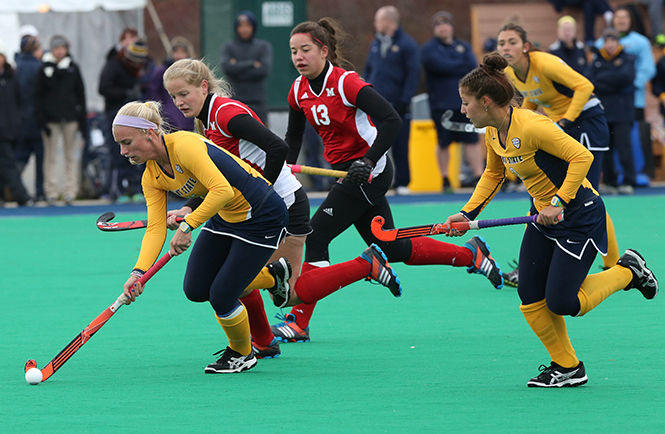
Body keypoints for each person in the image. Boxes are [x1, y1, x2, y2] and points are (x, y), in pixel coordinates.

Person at [271, 18, 504, 343]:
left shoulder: (347, 83)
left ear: (323, 51)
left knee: (317, 234)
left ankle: (298, 321)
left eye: (305, 49)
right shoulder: (297, 91)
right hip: (346, 173)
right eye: (294, 51)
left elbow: (391, 119)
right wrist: (283, 174)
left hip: (372, 172)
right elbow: (293, 137)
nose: (298, 56)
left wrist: (367, 160)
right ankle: (472, 255)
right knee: (391, 246)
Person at [447, 52, 658, 387]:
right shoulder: (492, 130)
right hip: (541, 219)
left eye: (465, 102)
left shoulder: (532, 126)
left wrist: (559, 201)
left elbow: (582, 156)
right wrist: (467, 213)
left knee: (563, 302)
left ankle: (627, 272)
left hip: (579, 215)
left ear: (485, 102)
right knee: (530, 294)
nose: (463, 110)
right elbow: (493, 173)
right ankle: (568, 367)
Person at [162, 58, 308, 359]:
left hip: (279, 205)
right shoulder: (203, 122)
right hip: (243, 208)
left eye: (184, 94)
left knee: (291, 292)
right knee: (229, 281)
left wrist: (263, 192)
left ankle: (365, 265)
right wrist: (189, 207)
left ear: (204, 87)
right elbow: (215, 179)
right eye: (174, 96)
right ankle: (265, 342)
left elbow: (277, 148)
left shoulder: (226, 115)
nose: (179, 102)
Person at [497, 23, 619, 288]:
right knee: (544, 191)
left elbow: (584, 86)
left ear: (526, 47)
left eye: (512, 42)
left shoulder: (545, 64)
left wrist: (565, 120)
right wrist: (519, 119)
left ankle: (614, 263)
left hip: (586, 120)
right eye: (502, 43)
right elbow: (530, 100)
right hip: (560, 125)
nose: (506, 47)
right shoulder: (511, 74)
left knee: (588, 194)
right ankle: (535, 263)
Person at [421, 10, 483, 192]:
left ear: (451, 27)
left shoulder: (462, 46)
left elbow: (472, 66)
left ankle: (479, 176)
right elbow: (438, 65)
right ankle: (445, 178)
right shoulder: (429, 49)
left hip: (466, 103)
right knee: (443, 142)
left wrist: (454, 66)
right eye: (439, 25)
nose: (443, 28)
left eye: (446, 24)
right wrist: (457, 65)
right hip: (441, 105)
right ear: (435, 29)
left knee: (472, 139)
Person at [596, 5, 656, 185]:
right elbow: (594, 75)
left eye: (625, 17)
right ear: (613, 20)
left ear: (631, 20)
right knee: (609, 143)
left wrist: (629, 85)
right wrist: (615, 86)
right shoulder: (601, 44)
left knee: (629, 142)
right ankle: (611, 180)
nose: (621, 20)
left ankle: (640, 175)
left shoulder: (641, 42)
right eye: (618, 17)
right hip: (607, 103)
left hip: (633, 101)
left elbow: (648, 68)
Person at [364, 6, 419, 195]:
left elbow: (413, 75)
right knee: (375, 143)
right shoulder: (376, 43)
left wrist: (405, 100)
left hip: (398, 106)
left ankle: (403, 182)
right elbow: (369, 70)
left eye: (378, 20)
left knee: (401, 144)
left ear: (389, 22)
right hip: (377, 105)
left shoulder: (407, 44)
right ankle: (376, 180)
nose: (375, 24)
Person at [34, 35, 87, 206]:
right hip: (50, 120)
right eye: (56, 48)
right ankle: (51, 191)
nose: (59, 52)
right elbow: (38, 96)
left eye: (62, 48)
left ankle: (70, 191)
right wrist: (41, 119)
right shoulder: (44, 68)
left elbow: (80, 94)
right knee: (50, 157)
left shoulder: (72, 67)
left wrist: (81, 118)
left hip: (70, 118)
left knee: (70, 155)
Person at [99, 36, 150, 202]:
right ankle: (117, 189)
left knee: (137, 151)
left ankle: (136, 187)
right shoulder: (113, 64)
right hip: (115, 115)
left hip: (133, 117)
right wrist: (125, 94)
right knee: (118, 152)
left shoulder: (140, 68)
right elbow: (103, 88)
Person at [586, 27, 636, 194]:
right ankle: (610, 181)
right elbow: (590, 81)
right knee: (605, 149)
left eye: (613, 40)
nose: (610, 44)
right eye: (607, 40)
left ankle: (629, 181)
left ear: (618, 42)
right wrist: (613, 81)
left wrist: (604, 79)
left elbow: (626, 77)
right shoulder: (597, 59)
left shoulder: (628, 58)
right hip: (603, 111)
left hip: (623, 111)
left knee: (624, 148)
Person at [221, 10, 272, 124]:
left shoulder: (263, 47)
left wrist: (237, 66)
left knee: (262, 138)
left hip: (257, 102)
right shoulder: (229, 47)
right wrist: (252, 64)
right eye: (241, 26)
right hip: (235, 101)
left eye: (248, 26)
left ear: (253, 27)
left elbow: (263, 70)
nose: (244, 29)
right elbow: (227, 68)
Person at [14, 33, 45, 202]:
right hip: (37, 120)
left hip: (20, 120)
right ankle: (40, 192)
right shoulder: (38, 67)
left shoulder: (16, 67)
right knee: (41, 159)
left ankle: (14, 190)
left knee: (19, 158)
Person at [0, 52, 32, 207]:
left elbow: (20, 101)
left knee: (7, 163)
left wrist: (18, 122)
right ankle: (21, 196)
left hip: (10, 129)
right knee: (8, 164)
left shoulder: (12, 78)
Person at [146, 37, 195, 132]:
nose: (179, 56)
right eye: (176, 52)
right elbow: (153, 91)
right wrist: (162, 109)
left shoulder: (192, 72)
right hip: (169, 118)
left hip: (188, 118)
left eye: (182, 52)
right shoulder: (162, 71)